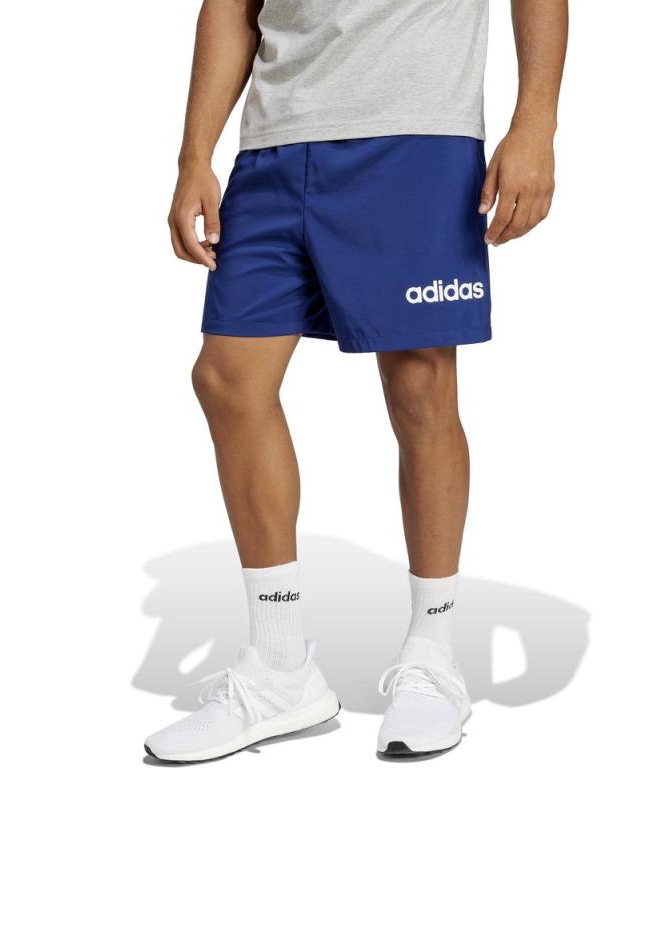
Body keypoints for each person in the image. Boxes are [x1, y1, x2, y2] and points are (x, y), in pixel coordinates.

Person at [145, 0, 568, 762]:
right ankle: (279, 668)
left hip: (417, 136)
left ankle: (432, 656)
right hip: (275, 143)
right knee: (227, 378)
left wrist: (535, 120)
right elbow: (233, 7)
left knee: (419, 388)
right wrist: (193, 155)